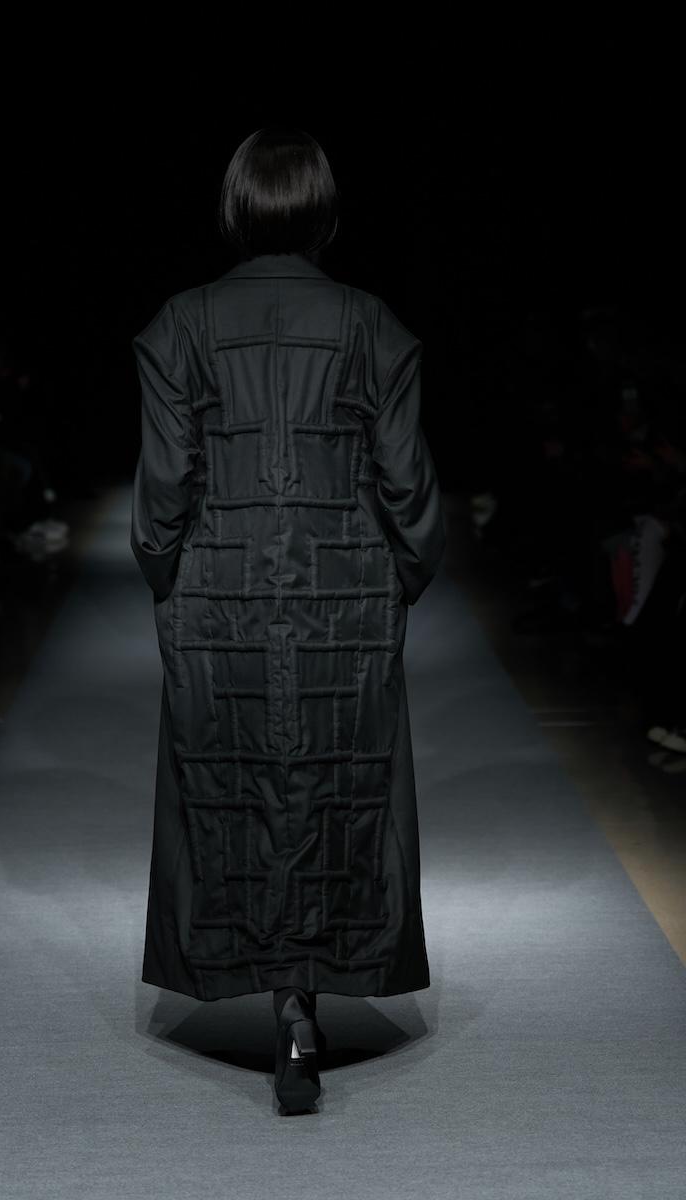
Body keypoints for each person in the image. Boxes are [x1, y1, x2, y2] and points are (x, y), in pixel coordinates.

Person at [130, 127, 446, 1115]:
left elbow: (163, 490)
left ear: (234, 209)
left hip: (219, 591)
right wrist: (395, 579)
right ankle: (304, 996)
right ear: (324, 212)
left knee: (232, 787)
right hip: (342, 589)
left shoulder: (181, 325)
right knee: (335, 785)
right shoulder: (369, 325)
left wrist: (170, 578)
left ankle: (277, 995)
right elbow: (407, 485)